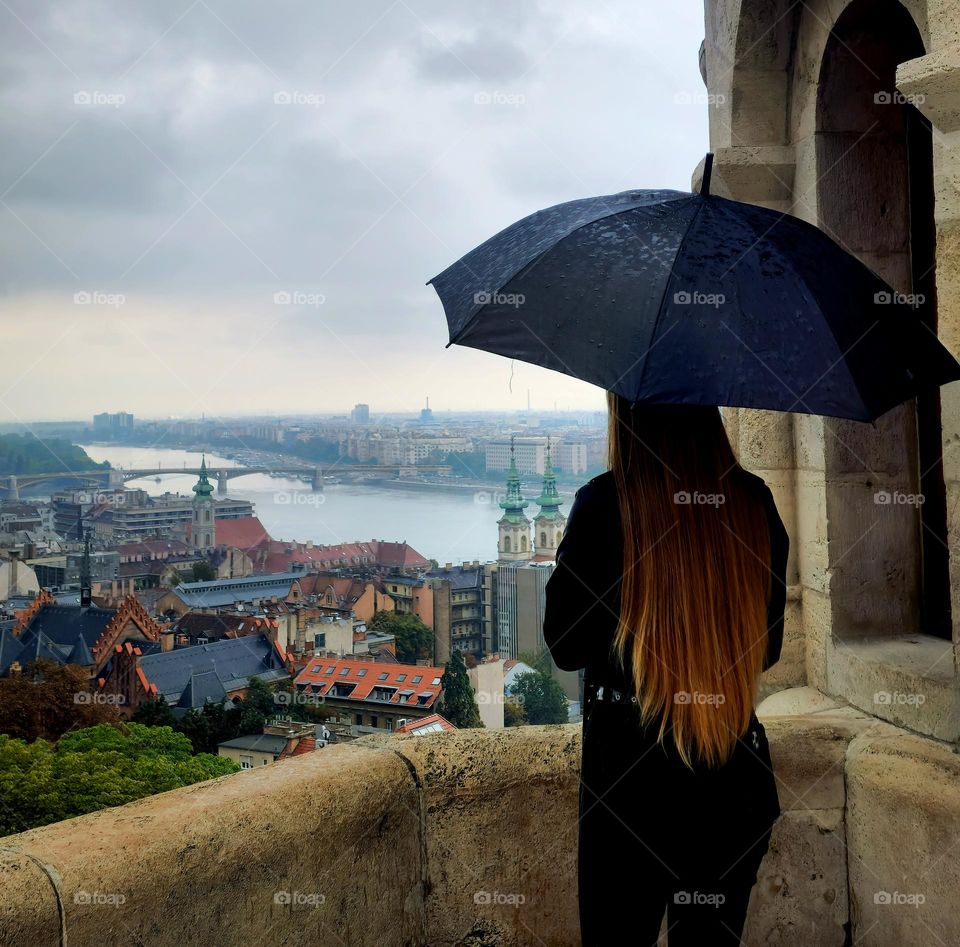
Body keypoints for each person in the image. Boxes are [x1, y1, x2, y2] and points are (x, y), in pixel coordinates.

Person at [543, 394, 789, 946]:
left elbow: (565, 643)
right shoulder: (754, 501)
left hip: (630, 785)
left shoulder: (606, 504)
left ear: (626, 413)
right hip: (732, 780)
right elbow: (767, 648)